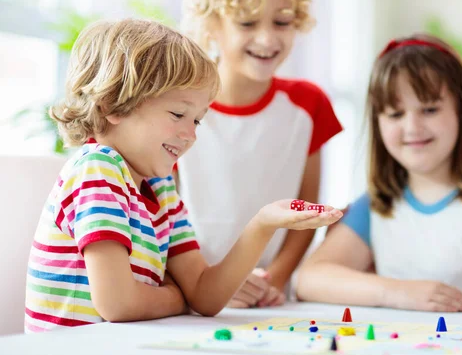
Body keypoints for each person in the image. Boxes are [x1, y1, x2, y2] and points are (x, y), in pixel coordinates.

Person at [24, 18, 342, 332]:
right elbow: (118, 304)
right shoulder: (97, 170)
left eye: (198, 120)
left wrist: (263, 224)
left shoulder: (161, 189)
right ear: (114, 106)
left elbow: (205, 295)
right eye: (178, 114)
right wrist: (180, 299)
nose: (191, 135)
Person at [296, 35, 462, 312]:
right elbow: (309, 278)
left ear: (461, 112)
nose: (412, 127)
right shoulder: (377, 206)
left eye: (430, 109)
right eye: (395, 114)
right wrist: (397, 292)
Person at [178, 0, 343, 308]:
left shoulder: (308, 105)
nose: (267, 38)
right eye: (247, 22)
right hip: (188, 292)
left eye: (282, 21)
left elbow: (306, 211)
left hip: (271, 300)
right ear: (212, 25)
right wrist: (211, 283)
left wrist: (273, 282)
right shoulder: (178, 109)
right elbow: (164, 216)